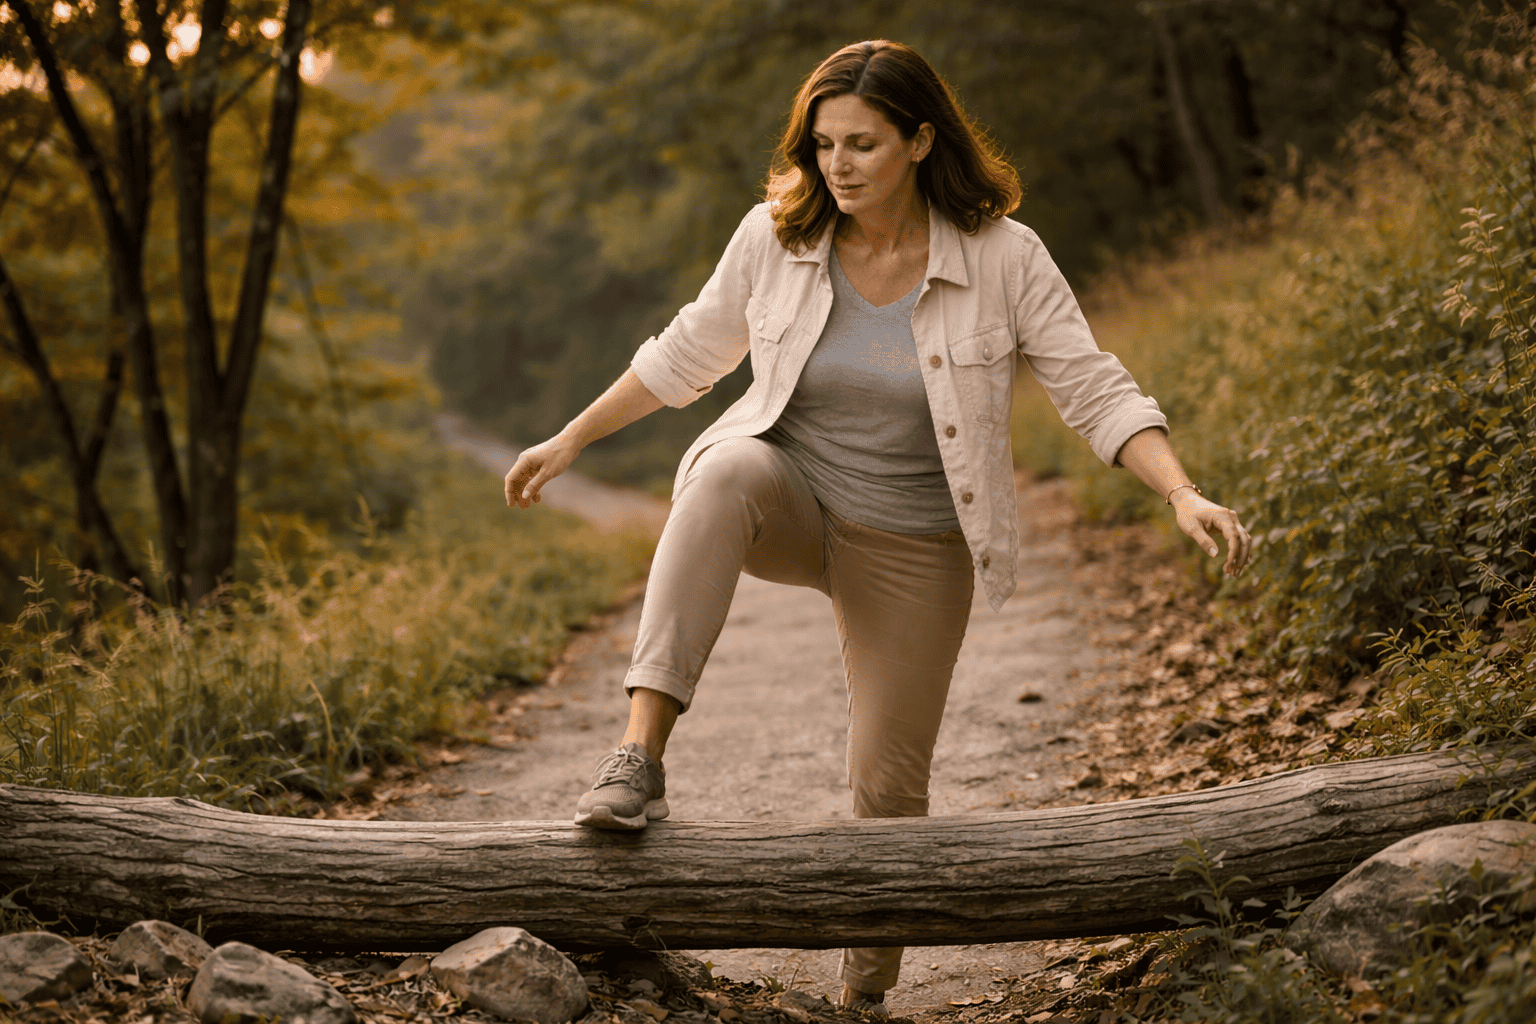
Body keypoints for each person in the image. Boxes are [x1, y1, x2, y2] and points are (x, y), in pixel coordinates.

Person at [504, 39, 1252, 1013]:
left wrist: (1180, 490)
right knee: (723, 468)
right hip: (795, 499)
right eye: (822, 145)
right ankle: (638, 756)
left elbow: (1091, 384)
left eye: (862, 142)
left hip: (917, 544)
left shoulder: (1002, 256)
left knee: (889, 804)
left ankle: (861, 998)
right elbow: (688, 351)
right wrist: (571, 438)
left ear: (920, 138)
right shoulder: (776, 240)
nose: (838, 164)